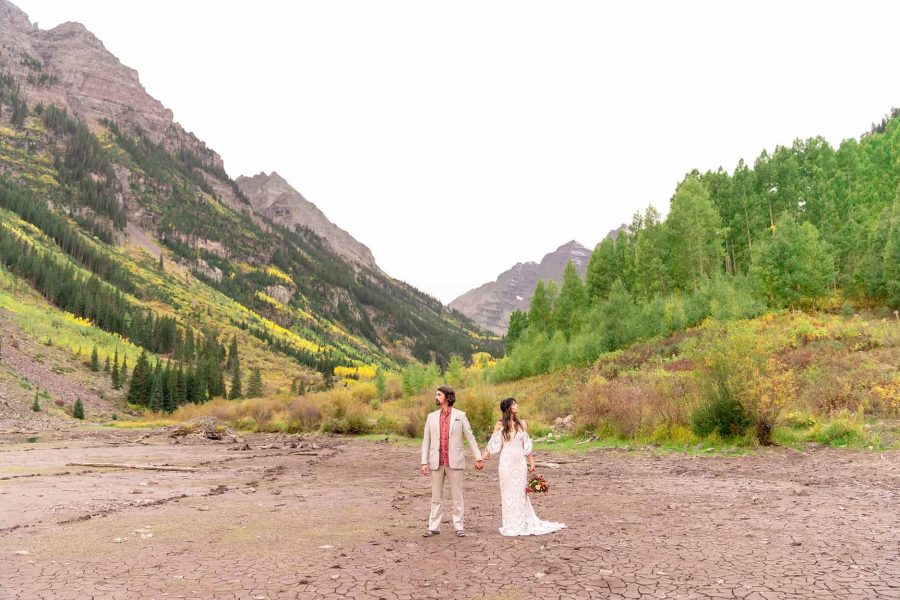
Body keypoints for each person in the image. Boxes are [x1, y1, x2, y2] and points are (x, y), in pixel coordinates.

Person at [481, 397, 565, 537]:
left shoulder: (522, 424)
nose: (516, 406)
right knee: (508, 493)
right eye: (513, 404)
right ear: (507, 408)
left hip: (520, 463)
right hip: (506, 463)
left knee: (520, 493)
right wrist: (481, 459)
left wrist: (531, 462)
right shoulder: (499, 425)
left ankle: (522, 522)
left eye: (516, 403)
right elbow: (492, 445)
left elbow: (526, 446)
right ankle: (510, 524)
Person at [420, 386, 484, 537]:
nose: (436, 397)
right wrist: (424, 462)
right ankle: (434, 527)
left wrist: (478, 457)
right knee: (436, 497)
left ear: (448, 398)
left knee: (457, 496)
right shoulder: (431, 417)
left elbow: (470, 437)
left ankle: (458, 526)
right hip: (436, 462)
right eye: (436, 394)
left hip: (455, 462)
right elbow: (426, 441)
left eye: (439, 394)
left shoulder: (460, 416)